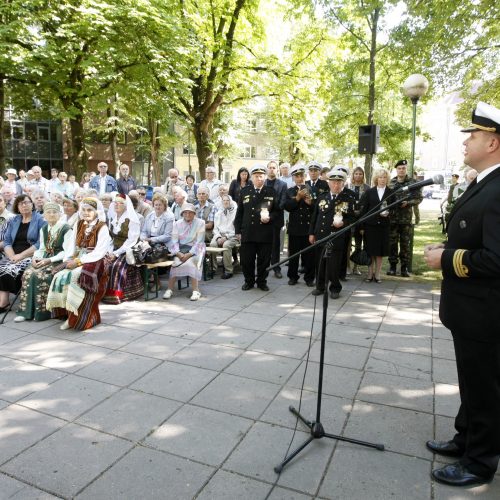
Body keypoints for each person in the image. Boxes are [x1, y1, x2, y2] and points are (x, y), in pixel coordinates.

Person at [424, 102, 500, 487]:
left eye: (474, 135)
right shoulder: (482, 182)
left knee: (485, 387)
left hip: (486, 312)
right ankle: (465, 439)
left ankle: (480, 462)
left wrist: (446, 257)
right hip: (468, 310)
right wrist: (448, 245)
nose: (466, 141)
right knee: (470, 381)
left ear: (494, 142)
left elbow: (496, 259)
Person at [46, 197, 112, 331]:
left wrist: (77, 262)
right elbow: (72, 245)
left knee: (76, 277)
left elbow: (99, 252)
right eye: (84, 210)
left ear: (96, 212)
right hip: (77, 258)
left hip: (95, 260)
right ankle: (67, 314)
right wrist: (68, 260)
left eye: (90, 210)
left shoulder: (102, 226)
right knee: (61, 275)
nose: (86, 212)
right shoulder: (79, 223)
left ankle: (78, 319)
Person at [14, 203, 72, 322]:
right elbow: (42, 248)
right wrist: (35, 258)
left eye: (54, 212)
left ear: (59, 214)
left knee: (40, 275)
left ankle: (42, 312)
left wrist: (49, 260)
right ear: (44, 215)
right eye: (48, 212)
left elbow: (66, 252)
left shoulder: (66, 229)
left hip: (59, 260)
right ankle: (25, 312)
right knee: (28, 273)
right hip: (45, 258)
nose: (51, 215)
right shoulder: (44, 229)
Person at [309, 168, 355, 299]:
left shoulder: (347, 199)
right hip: (320, 235)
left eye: (339, 182)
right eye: (333, 182)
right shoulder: (322, 197)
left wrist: (343, 224)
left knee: (334, 265)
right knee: (320, 263)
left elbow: (352, 219)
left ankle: (335, 287)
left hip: (337, 237)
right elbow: (315, 217)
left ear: (343, 183)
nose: (336, 185)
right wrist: (311, 233)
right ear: (328, 183)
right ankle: (320, 286)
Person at [234, 164, 279, 291]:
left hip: (265, 232)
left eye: (261, 176)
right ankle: (248, 281)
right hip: (248, 232)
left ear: (265, 177)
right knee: (246, 260)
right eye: (256, 176)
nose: (259, 178)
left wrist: (270, 217)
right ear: (252, 178)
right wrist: (238, 231)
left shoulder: (271, 191)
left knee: (264, 261)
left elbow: (277, 212)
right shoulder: (245, 191)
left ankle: (261, 281)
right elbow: (240, 213)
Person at [0, 194, 46, 311]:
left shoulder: (40, 219)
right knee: (2, 267)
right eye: (21, 203)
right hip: (13, 254)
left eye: (27, 202)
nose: (24, 205)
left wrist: (20, 256)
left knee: (12, 269)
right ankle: (4, 300)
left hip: (31, 254)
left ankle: (3, 302)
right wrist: (11, 256)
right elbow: (7, 241)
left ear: (32, 204)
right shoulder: (14, 220)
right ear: (17, 207)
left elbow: (40, 243)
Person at [103, 193, 143, 304]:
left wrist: (116, 254)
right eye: (115, 203)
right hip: (114, 248)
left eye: (120, 203)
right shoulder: (112, 218)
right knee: (103, 262)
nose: (117, 205)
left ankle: (116, 295)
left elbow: (132, 240)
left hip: (128, 249)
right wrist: (110, 251)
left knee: (116, 266)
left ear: (126, 205)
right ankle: (101, 292)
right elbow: (110, 237)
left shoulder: (132, 219)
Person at [387, 159, 423, 277]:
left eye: (403, 168)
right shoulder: (391, 183)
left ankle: (404, 268)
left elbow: (419, 198)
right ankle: (392, 267)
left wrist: (408, 203)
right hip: (392, 219)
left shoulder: (413, 182)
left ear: (406, 169)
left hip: (405, 219)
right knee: (392, 243)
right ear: (396, 170)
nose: (401, 170)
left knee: (405, 244)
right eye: (399, 168)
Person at [163, 203, 205, 301]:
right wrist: (178, 253)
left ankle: (196, 290)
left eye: (190, 212)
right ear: (182, 214)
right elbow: (174, 241)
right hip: (181, 249)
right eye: (185, 212)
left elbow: (199, 241)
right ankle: (169, 289)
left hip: (196, 248)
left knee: (191, 263)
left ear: (194, 214)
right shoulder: (177, 224)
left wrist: (190, 254)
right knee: (175, 264)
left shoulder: (201, 223)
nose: (188, 214)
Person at [359, 168, 392, 283]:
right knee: (370, 250)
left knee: (380, 251)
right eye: (380, 177)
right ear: (376, 179)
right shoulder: (369, 192)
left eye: (384, 177)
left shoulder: (390, 192)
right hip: (370, 226)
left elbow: (394, 209)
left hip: (383, 226)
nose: (382, 180)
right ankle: (369, 273)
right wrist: (362, 227)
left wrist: (389, 213)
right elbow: (364, 211)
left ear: (387, 179)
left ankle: (377, 274)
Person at [284, 165, 315, 286]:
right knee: (294, 255)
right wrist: (297, 198)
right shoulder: (290, 191)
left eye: (302, 175)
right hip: (295, 228)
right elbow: (287, 207)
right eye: (297, 176)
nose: (300, 178)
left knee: (309, 256)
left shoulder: (312, 189)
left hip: (308, 228)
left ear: (305, 176)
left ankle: (309, 278)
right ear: (293, 178)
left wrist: (310, 203)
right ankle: (292, 276)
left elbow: (317, 208)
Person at [265, 160, 287, 279]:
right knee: (263, 244)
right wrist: (263, 214)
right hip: (262, 219)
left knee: (275, 245)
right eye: (270, 167)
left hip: (276, 219)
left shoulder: (282, 185)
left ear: (277, 170)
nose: (272, 169)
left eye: (274, 167)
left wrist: (270, 213)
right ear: (267, 169)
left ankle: (276, 267)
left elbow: (282, 203)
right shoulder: (262, 182)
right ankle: (263, 267)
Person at [210, 194, 238, 279]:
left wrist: (226, 237)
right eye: (224, 201)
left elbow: (237, 229)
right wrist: (218, 237)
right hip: (219, 235)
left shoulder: (236, 212)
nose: (225, 202)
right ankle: (213, 269)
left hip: (232, 236)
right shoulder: (218, 213)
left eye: (227, 200)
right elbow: (215, 229)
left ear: (231, 201)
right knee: (212, 245)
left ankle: (228, 271)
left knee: (226, 245)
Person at [349, 167, 370, 275]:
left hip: (362, 220)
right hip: (350, 219)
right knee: (348, 244)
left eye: (360, 174)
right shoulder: (348, 187)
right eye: (356, 173)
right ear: (353, 175)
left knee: (358, 243)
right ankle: (347, 266)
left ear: (363, 175)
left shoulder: (367, 188)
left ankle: (356, 267)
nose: (358, 176)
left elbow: (369, 204)